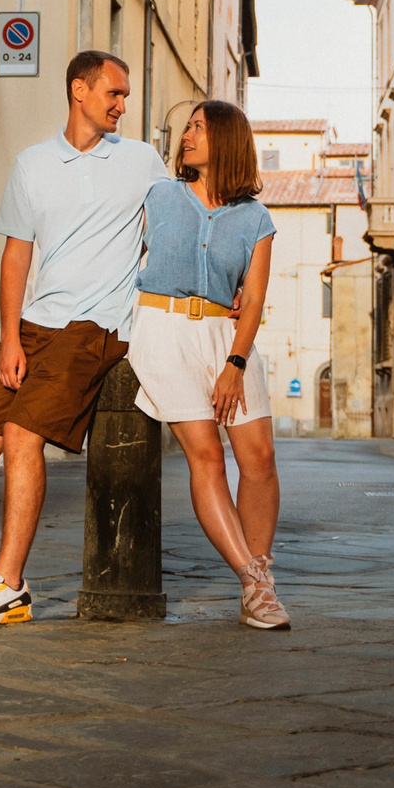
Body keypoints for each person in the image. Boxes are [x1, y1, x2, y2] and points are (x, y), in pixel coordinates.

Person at [0, 50, 167, 626]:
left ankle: (10, 584)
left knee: (21, 436)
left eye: (125, 96)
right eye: (114, 94)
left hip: (97, 325)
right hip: (36, 323)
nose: (122, 105)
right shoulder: (32, 164)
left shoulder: (143, 161)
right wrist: (10, 337)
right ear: (79, 91)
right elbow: (16, 254)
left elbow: (173, 230)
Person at [126, 100, 291, 629]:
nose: (186, 135)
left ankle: (258, 569)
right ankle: (253, 583)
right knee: (207, 456)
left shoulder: (256, 219)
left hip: (227, 335)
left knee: (260, 457)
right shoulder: (158, 195)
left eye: (198, 127)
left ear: (226, 139)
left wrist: (235, 363)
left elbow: (256, 298)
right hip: (164, 329)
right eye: (187, 127)